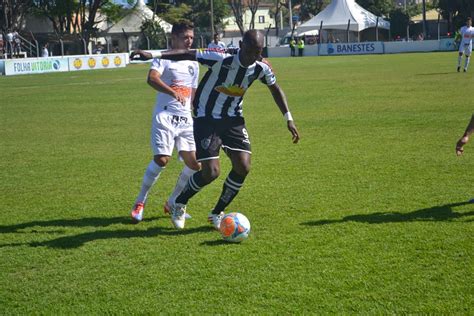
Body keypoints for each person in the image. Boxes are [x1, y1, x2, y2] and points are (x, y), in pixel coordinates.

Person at [131, 29, 300, 230]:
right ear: (240, 45)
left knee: (243, 166)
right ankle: (179, 202)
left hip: (233, 120)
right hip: (206, 118)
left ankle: (216, 212)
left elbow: (275, 88)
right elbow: (186, 53)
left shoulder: (261, 67)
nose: (253, 56)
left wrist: (288, 118)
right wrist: (153, 54)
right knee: (211, 172)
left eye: (258, 51)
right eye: (250, 50)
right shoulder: (220, 57)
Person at [130, 21, 201, 224]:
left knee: (195, 164)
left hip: (185, 118)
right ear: (174, 38)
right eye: (185, 37)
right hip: (165, 115)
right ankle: (140, 202)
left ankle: (173, 203)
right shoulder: (163, 57)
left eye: (191, 38)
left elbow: (193, 91)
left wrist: (195, 111)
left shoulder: (193, 62)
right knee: (162, 159)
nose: (189, 41)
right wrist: (172, 92)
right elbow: (151, 79)